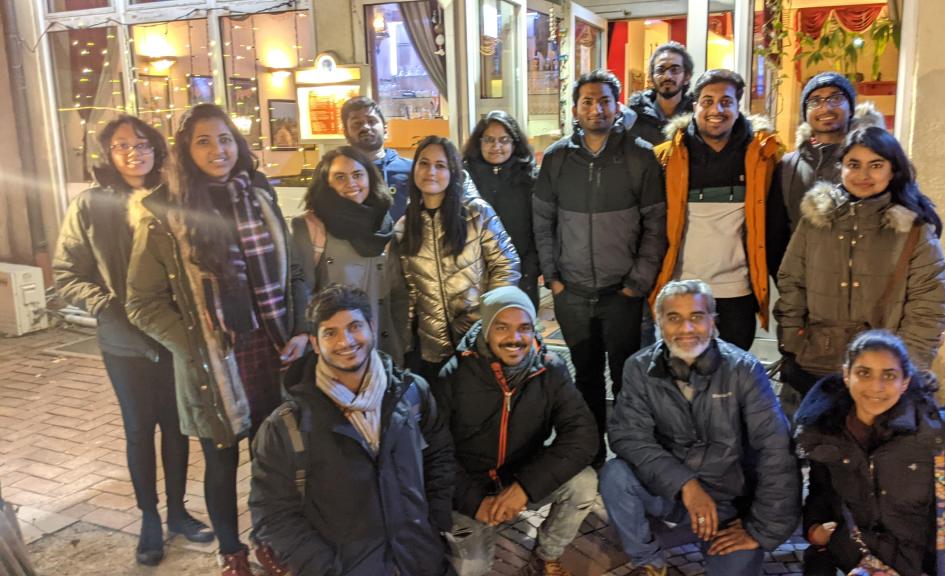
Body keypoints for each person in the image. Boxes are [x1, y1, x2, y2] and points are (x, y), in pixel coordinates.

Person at [126, 103, 306, 576]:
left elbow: (293, 272)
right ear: (185, 150)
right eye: (203, 141)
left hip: (272, 348)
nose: (217, 150)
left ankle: (269, 538)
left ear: (238, 144)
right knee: (222, 461)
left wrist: (302, 327)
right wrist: (193, 344)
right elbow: (142, 303)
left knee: (271, 457)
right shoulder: (164, 214)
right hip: (212, 360)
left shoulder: (260, 194)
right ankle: (231, 552)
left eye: (225, 139)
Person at [53, 115, 212, 566]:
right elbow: (67, 273)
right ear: (108, 153)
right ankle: (149, 517)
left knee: (177, 426)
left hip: (174, 333)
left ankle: (178, 512)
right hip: (124, 341)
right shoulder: (91, 205)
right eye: (121, 145)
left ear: (156, 148)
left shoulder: (175, 195)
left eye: (141, 144)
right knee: (139, 429)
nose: (133, 152)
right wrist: (106, 306)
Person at [249, 284, 456, 576]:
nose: (345, 341)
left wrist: (435, 524)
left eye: (354, 326)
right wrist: (324, 569)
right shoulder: (286, 426)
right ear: (315, 343)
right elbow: (272, 514)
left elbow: (439, 457)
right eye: (330, 332)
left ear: (372, 327)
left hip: (421, 561)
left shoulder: (412, 394)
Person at [599, 280, 800, 576]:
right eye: (674, 317)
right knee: (615, 476)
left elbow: (776, 450)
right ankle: (649, 561)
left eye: (696, 316)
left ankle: (697, 535)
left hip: (728, 504)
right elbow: (628, 436)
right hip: (670, 491)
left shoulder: (743, 369)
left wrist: (760, 531)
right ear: (659, 322)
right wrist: (686, 484)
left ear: (713, 321)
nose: (686, 328)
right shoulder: (639, 368)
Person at [794, 330, 945, 576]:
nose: (876, 386)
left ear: (905, 382)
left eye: (889, 375)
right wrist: (814, 530)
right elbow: (821, 494)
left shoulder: (938, 436)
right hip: (849, 564)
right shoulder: (828, 431)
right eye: (864, 373)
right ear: (846, 375)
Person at [532, 70, 666, 465]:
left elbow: (656, 224)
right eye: (587, 101)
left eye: (604, 100)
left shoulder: (640, 156)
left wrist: (638, 282)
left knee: (627, 377)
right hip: (571, 292)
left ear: (617, 105)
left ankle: (628, 455)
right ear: (575, 109)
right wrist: (553, 277)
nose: (596, 109)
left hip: (621, 292)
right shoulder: (557, 157)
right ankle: (591, 455)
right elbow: (542, 221)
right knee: (585, 376)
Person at [435, 286, 598, 576]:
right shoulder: (454, 374)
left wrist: (524, 488)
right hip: (470, 486)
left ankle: (546, 556)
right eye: (502, 327)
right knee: (472, 569)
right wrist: (475, 502)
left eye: (524, 328)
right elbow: (435, 453)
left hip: (522, 475)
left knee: (584, 483)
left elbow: (583, 435)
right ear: (486, 329)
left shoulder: (550, 369)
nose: (515, 338)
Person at [774, 126, 945, 395]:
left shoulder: (912, 229)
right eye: (853, 165)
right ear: (840, 168)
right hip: (816, 364)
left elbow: (929, 305)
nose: (863, 175)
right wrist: (792, 342)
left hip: (881, 372)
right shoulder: (817, 220)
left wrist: (906, 365)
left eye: (876, 165)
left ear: (893, 169)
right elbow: (792, 282)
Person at [649, 69, 784, 352]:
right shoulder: (666, 157)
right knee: (682, 367)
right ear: (694, 105)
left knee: (733, 368)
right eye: (707, 101)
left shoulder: (763, 156)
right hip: (682, 288)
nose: (716, 110)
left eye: (726, 102)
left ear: (738, 106)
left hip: (738, 290)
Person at [397, 136, 520, 382]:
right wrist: (407, 341)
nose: (431, 172)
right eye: (424, 163)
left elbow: (506, 265)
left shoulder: (476, 212)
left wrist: (487, 320)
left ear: (453, 171)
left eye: (440, 165)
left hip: (478, 340)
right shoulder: (407, 224)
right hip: (432, 345)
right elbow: (410, 289)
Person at [291, 146, 404, 362]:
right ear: (327, 183)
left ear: (370, 177)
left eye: (357, 175)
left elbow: (397, 293)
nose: (351, 183)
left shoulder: (384, 224)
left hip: (383, 346)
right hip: (339, 348)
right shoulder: (311, 226)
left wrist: (402, 341)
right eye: (340, 177)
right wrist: (303, 334)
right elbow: (302, 288)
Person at [766, 71, 885, 276]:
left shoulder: (876, 159)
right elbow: (775, 234)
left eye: (835, 98)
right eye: (815, 101)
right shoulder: (788, 165)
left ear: (851, 108)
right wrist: (787, 281)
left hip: (865, 282)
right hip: (803, 284)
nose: (825, 107)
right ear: (805, 112)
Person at [463, 111, 541, 307]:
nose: (496, 146)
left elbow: (541, 229)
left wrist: (531, 270)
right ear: (479, 142)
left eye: (504, 140)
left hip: (522, 276)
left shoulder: (530, 178)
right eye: (489, 139)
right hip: (472, 280)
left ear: (514, 143)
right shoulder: (464, 179)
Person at [341, 96, 413, 222]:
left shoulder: (412, 170)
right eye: (357, 123)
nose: (365, 127)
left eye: (371, 121)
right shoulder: (337, 174)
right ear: (346, 133)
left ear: (385, 129)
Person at [623, 41, 695, 146]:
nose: (667, 76)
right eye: (660, 70)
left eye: (675, 69)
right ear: (651, 77)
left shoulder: (696, 117)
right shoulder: (634, 114)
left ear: (687, 77)